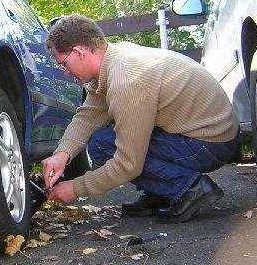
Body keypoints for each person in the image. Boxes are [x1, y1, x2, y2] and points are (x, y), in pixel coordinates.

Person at [41, 14, 240, 223]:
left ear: (79, 52)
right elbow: (88, 116)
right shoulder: (113, 60)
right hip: (206, 134)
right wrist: (62, 154)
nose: (65, 72)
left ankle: (190, 188)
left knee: (103, 146)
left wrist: (75, 188)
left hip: (211, 143)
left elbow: (128, 164)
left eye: (63, 64)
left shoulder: (127, 78)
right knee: (103, 141)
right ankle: (162, 191)